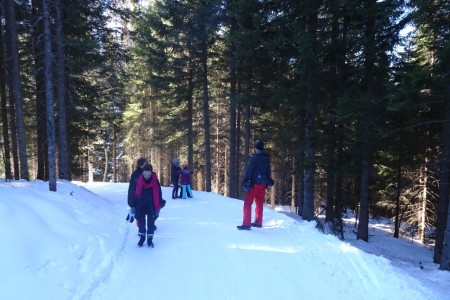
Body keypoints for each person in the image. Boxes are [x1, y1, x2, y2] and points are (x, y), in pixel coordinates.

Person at [237, 140, 272, 230]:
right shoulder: (266, 158)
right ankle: (258, 222)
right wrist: (267, 181)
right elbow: (268, 171)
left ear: (256, 148)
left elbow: (249, 170)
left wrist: (245, 181)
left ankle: (246, 224)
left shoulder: (255, 158)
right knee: (259, 203)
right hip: (263, 184)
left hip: (255, 184)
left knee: (247, 203)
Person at [130, 163, 163, 247]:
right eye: (145, 173)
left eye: (148, 174)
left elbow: (158, 193)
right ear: (143, 172)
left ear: (151, 173)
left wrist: (158, 207)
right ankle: (142, 238)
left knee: (151, 223)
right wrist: (132, 206)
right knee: (141, 223)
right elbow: (133, 193)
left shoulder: (155, 181)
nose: (146, 175)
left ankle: (149, 240)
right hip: (140, 205)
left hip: (151, 205)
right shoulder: (139, 180)